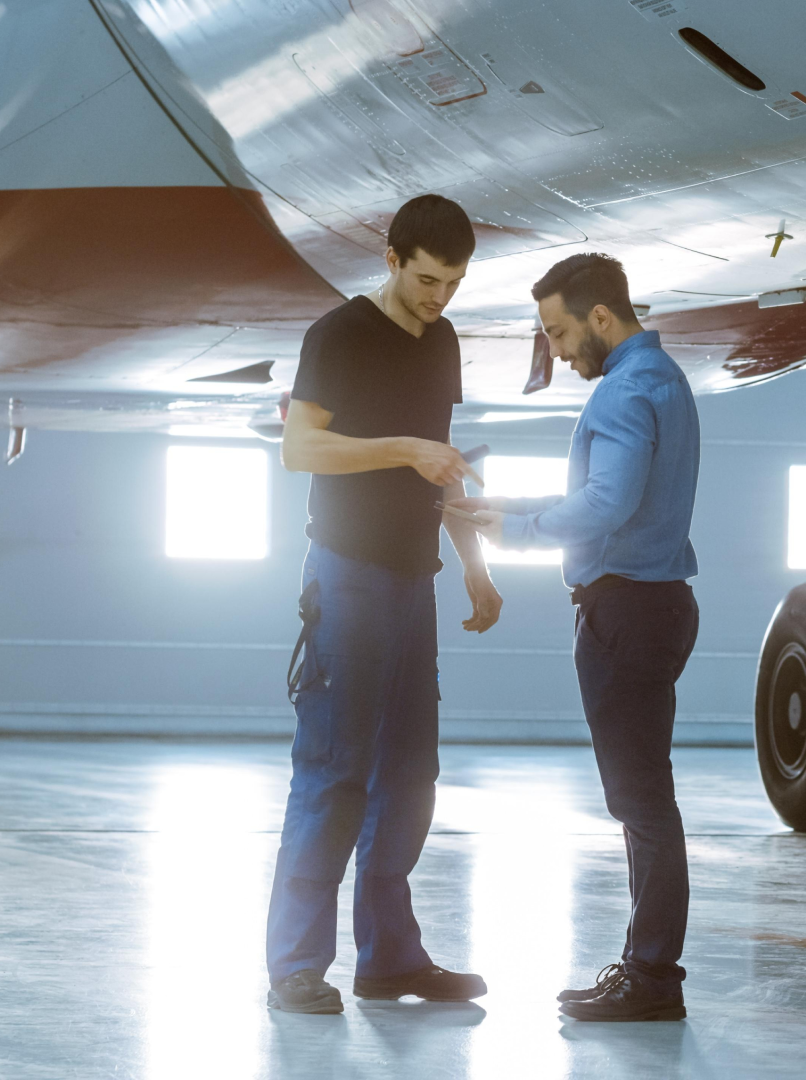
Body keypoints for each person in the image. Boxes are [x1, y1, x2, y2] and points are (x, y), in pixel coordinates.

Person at [265, 194, 503, 1015]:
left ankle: (390, 958)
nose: (441, 298)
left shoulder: (441, 342)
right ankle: (296, 964)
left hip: (415, 580)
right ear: (392, 259)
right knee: (335, 771)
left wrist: (473, 564)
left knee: (411, 775)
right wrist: (402, 448)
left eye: (455, 283)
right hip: (347, 576)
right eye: (429, 280)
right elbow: (300, 448)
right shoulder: (337, 335)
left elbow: (444, 470)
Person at [451, 253, 700, 1022]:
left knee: (642, 802)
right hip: (653, 603)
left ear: (600, 318)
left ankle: (653, 977)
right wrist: (507, 508)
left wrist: (520, 529)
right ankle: (645, 966)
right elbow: (612, 494)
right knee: (641, 798)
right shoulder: (663, 380)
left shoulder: (625, 391)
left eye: (559, 332)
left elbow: (609, 503)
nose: (555, 351)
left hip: (625, 611)